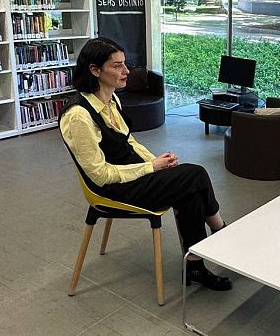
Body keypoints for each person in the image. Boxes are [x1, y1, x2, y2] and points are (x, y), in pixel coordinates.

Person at [59, 37, 232, 291]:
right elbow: (100, 176)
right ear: (95, 70)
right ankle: (220, 231)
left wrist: (155, 161)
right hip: (112, 188)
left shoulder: (111, 99)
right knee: (195, 175)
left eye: (125, 64)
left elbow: (129, 143)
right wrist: (151, 168)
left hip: (133, 176)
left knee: (190, 187)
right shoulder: (79, 116)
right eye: (117, 66)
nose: (126, 71)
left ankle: (195, 264)